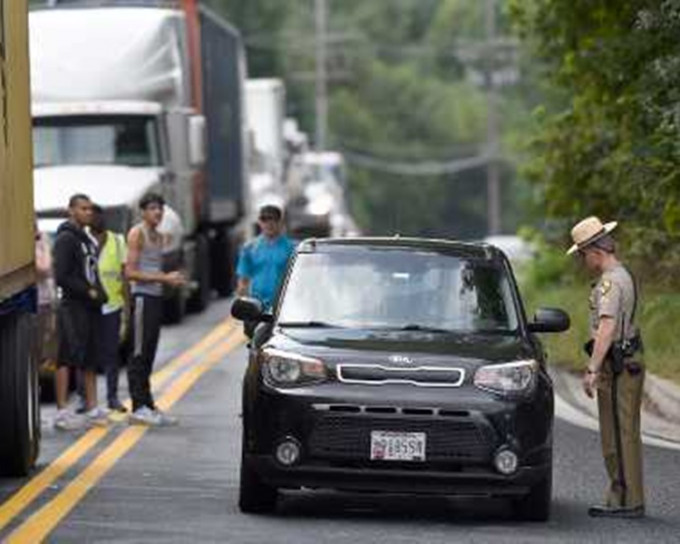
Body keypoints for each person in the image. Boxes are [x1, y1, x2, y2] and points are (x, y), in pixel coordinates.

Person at [567, 216, 645, 518]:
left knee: (617, 432)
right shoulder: (625, 274)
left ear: (594, 251)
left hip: (618, 365)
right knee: (627, 430)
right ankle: (629, 498)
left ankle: (624, 499)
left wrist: (592, 368)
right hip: (631, 359)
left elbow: (607, 327)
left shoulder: (610, 283)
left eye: (583, 255)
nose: (583, 261)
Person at [125, 192, 185, 426]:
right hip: (142, 298)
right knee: (138, 352)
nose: (157, 213)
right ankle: (138, 407)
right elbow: (130, 272)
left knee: (149, 352)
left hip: (155, 298)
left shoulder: (159, 237)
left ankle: (148, 404)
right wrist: (163, 278)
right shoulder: (137, 234)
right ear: (143, 211)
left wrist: (173, 279)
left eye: (160, 208)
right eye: (151, 208)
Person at [53, 194, 109, 430]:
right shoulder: (66, 238)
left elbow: (92, 271)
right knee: (67, 355)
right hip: (73, 305)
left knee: (90, 356)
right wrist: (89, 292)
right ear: (71, 210)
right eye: (83, 208)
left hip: (89, 307)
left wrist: (100, 293)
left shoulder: (86, 239)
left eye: (90, 209)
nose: (88, 212)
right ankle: (62, 410)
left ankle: (93, 406)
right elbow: (63, 275)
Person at [90, 205, 128, 412]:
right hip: (89, 307)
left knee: (111, 354)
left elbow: (125, 275)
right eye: (92, 216)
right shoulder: (83, 241)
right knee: (87, 354)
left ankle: (112, 397)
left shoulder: (117, 241)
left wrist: (128, 309)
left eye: (99, 215)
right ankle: (85, 400)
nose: (96, 219)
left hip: (112, 305)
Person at [236, 205, 295, 309]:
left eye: (273, 219)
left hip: (283, 308)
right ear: (259, 222)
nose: (269, 224)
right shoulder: (249, 248)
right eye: (264, 219)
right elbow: (243, 281)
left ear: (280, 222)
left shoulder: (292, 248)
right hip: (256, 308)